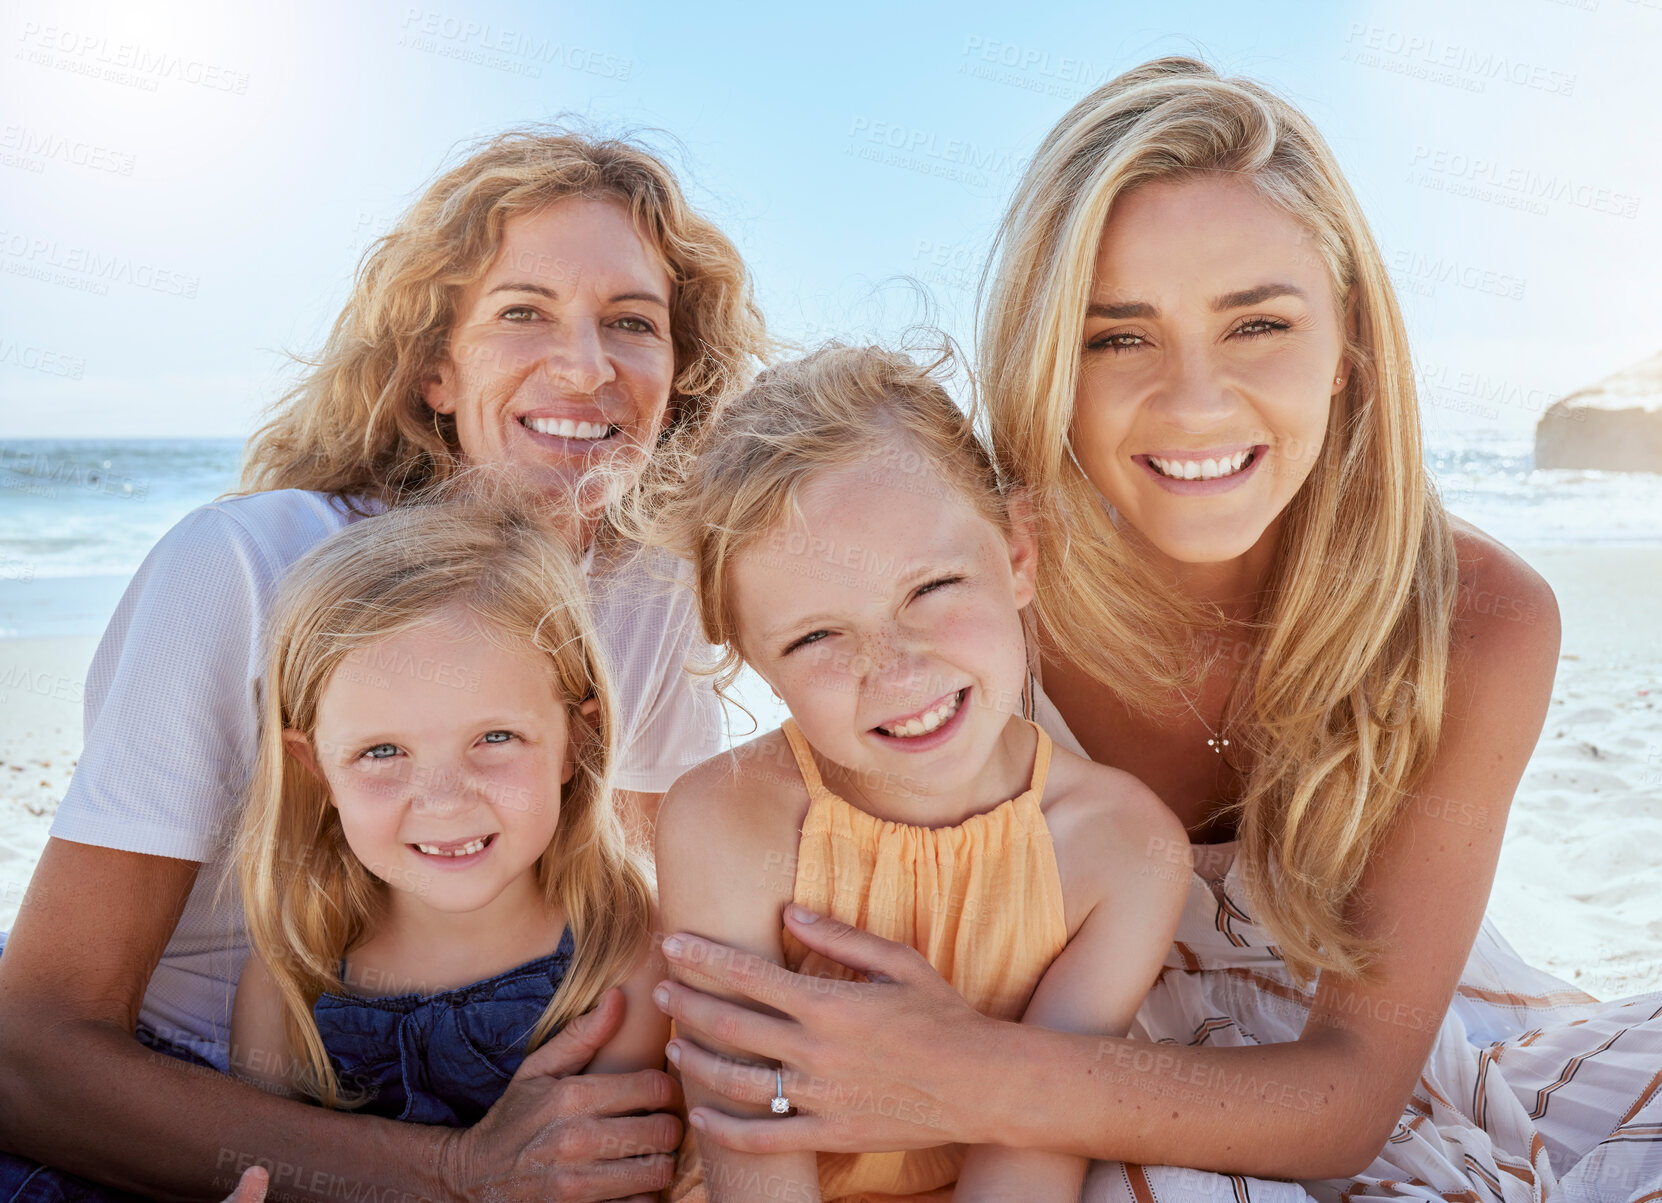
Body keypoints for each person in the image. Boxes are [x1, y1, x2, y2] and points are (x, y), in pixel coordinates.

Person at [646, 59, 1662, 1200]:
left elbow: (1347, 1097)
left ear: (1351, 351)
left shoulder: (1478, 622)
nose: (1194, 402)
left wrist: (971, 1074)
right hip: (1043, 1051)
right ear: (1048, 361)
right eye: (1119, 338)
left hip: (1294, 1067)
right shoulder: (957, 578)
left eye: (1259, 324)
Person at [0, 127, 765, 1201]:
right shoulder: (247, 568)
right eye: (524, 312)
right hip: (183, 1115)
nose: (587, 366)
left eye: (632, 324)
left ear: (677, 377)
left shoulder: (644, 594)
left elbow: (648, 923)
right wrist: (455, 1175)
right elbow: (32, 1055)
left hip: (500, 1103)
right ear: (435, 373)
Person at [645, 345, 1188, 1202]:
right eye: (816, 637)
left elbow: (1038, 1145)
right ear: (749, 653)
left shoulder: (1122, 848)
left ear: (1017, 553)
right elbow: (750, 1148)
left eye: (931, 586)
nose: (896, 671)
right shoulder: (727, 820)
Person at [229, 491, 667, 1126]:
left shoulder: (626, 948)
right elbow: (269, 1165)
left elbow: (615, 1177)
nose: (443, 798)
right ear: (315, 769)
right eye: (382, 751)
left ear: (577, 742)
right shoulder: (292, 971)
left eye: (494, 739)